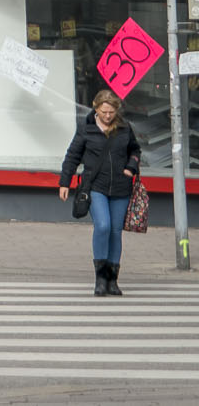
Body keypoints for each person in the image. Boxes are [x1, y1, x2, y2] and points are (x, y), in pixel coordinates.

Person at [60, 89, 143, 296]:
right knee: (103, 226)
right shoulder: (86, 129)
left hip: (121, 187)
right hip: (95, 186)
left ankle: (112, 280)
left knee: (115, 231)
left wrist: (131, 167)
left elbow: (135, 150)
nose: (108, 116)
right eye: (104, 112)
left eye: (111, 112)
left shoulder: (124, 128)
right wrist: (64, 182)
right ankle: (100, 279)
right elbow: (72, 156)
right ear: (96, 108)